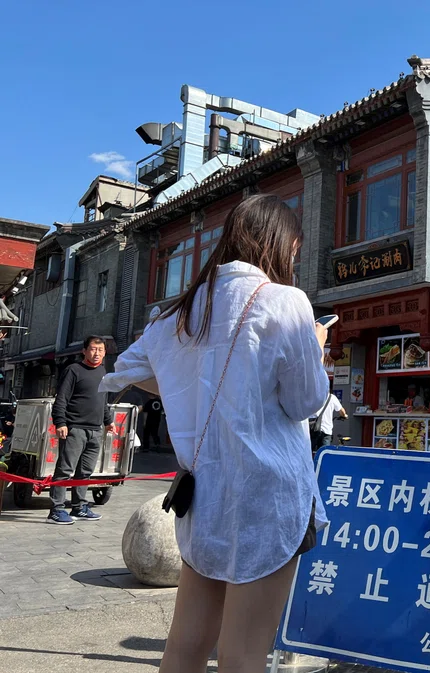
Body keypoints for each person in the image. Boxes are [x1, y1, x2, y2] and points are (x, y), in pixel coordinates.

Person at [100, 195, 329, 673]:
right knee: (243, 651)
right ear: (280, 243)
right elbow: (306, 402)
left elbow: (127, 368)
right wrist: (318, 346)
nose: (293, 258)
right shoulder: (285, 302)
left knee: (185, 646)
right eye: (293, 249)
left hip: (204, 496)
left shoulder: (183, 310)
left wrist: (187, 392)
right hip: (267, 494)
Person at [48, 336, 116, 525]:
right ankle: (56, 509)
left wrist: (108, 421)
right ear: (84, 351)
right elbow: (61, 399)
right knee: (64, 470)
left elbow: (103, 400)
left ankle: (78, 507)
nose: (97, 353)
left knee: (85, 472)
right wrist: (60, 422)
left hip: (95, 430)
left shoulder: (103, 372)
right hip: (75, 429)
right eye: (93, 349)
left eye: (100, 350)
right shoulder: (73, 370)